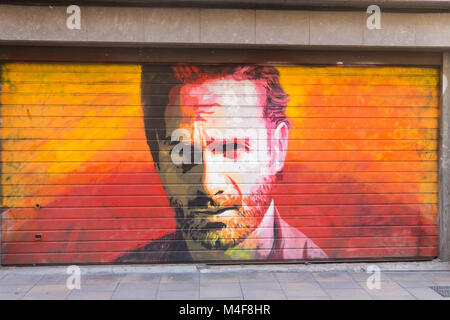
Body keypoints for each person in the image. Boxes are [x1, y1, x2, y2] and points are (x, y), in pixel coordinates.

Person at [116, 64, 327, 263]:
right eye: (182, 154)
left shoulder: (319, 270)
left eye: (231, 148)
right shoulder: (130, 273)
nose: (209, 186)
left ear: (277, 148)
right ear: (157, 157)